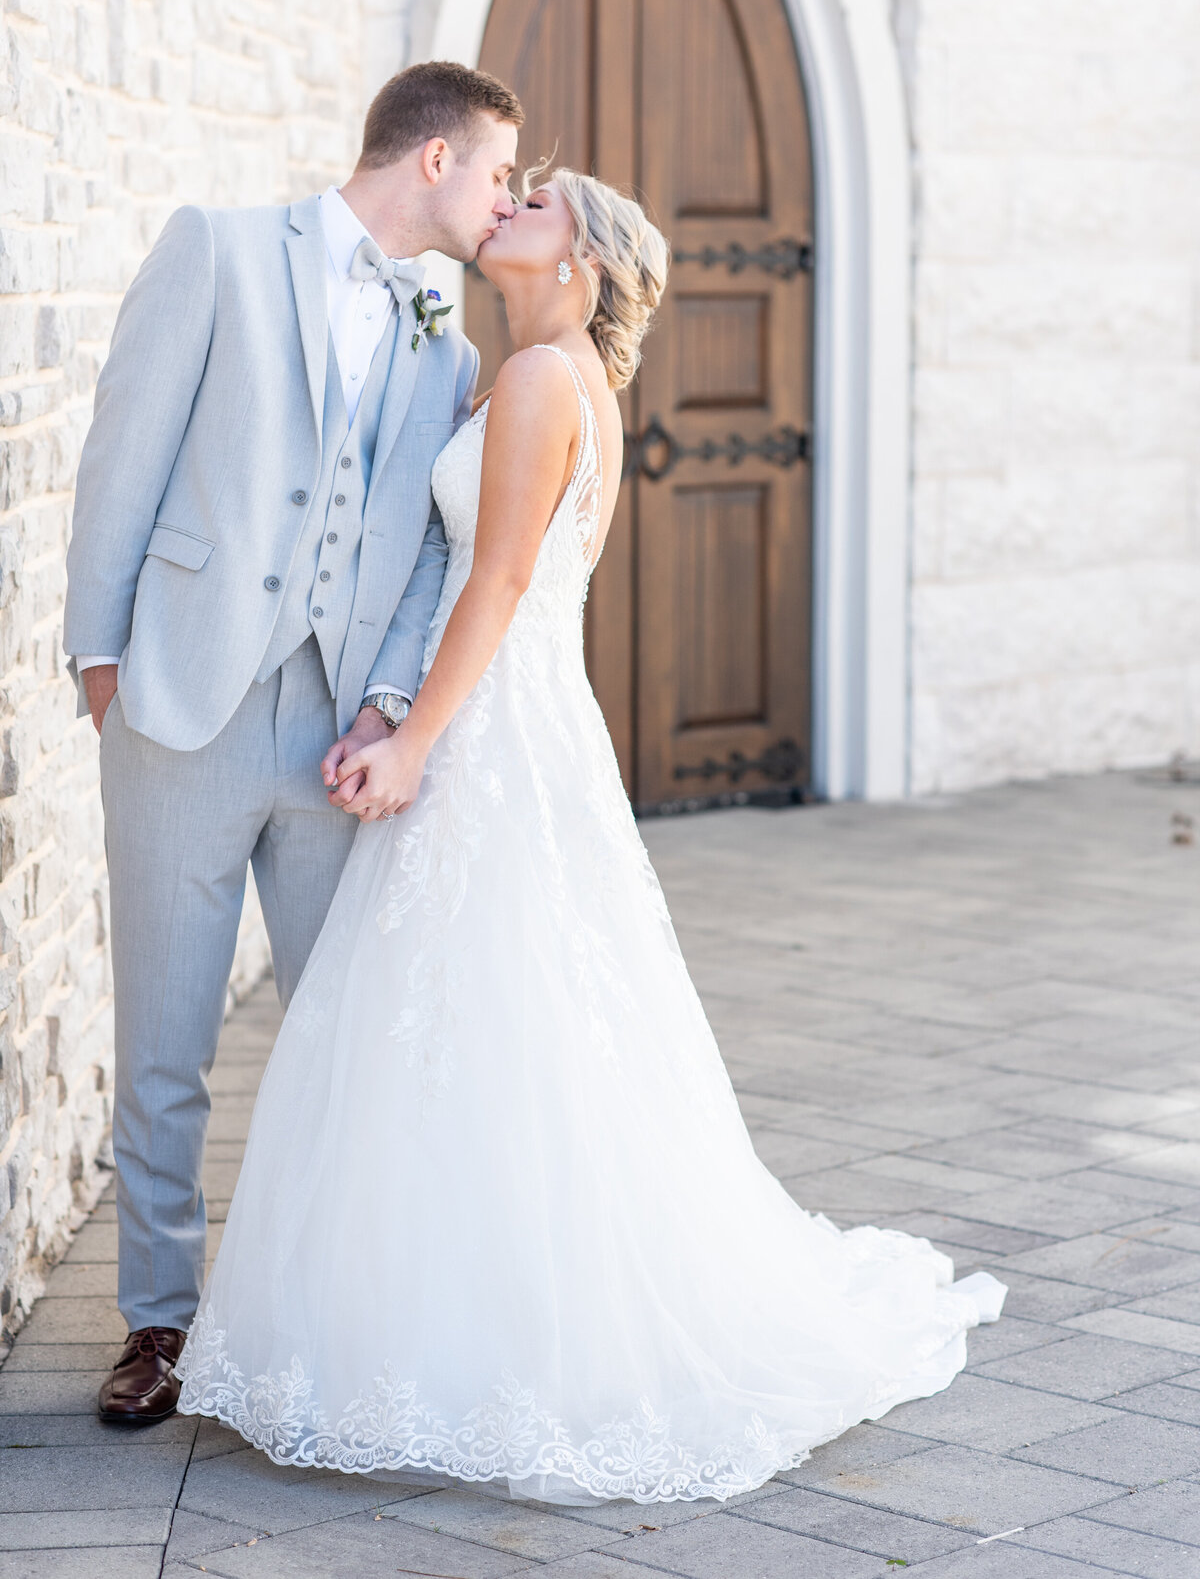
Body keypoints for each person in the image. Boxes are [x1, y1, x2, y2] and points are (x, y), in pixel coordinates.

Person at [173, 168, 1005, 1503]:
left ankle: (496, 1345)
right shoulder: (544, 376)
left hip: (494, 731)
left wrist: (412, 738)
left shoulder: (550, 381)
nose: (516, 203)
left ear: (586, 265)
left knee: (495, 1015)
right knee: (517, 1015)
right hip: (524, 722)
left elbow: (496, 575)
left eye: (545, 202)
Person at [63, 61, 524, 1425]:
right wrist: (104, 664)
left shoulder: (449, 345)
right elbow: (121, 452)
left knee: (341, 1039)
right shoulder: (219, 247)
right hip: (180, 707)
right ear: (432, 156)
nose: (502, 201)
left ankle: (315, 1316)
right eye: (497, 170)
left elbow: (436, 553)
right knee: (165, 1038)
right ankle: (158, 1319)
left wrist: (389, 703)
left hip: (338, 741)